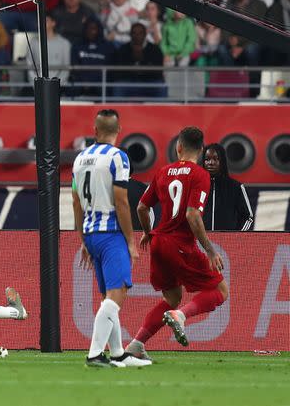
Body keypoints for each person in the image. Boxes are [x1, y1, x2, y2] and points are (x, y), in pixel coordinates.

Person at [126, 127, 229, 361]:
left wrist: (147, 232)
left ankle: (136, 344)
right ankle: (181, 316)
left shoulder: (163, 171)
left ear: (178, 147)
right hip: (180, 243)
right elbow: (193, 215)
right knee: (220, 291)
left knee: (171, 298)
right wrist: (210, 250)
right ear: (201, 150)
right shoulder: (200, 175)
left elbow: (142, 207)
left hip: (159, 242)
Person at [71, 110, 151, 368]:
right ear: (119, 130)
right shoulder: (118, 157)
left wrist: (83, 238)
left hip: (92, 234)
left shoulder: (80, 158)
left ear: (95, 130)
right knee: (117, 295)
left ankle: (117, 353)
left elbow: (75, 202)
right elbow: (121, 201)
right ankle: (95, 354)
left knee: (108, 295)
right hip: (111, 234)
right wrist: (130, 241)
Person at [201, 143, 254, 231]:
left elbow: (248, 217)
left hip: (226, 242)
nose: (211, 163)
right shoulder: (196, 186)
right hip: (200, 241)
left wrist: (236, 237)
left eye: (215, 159)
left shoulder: (235, 187)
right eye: (207, 159)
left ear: (222, 162)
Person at [111, 22, 165, 98]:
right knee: (118, 87)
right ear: (130, 34)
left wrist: (142, 61)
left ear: (145, 34)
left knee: (160, 87)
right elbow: (119, 71)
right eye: (134, 33)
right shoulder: (123, 49)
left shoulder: (155, 49)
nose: (137, 36)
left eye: (140, 33)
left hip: (149, 82)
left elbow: (158, 71)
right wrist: (133, 59)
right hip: (129, 82)